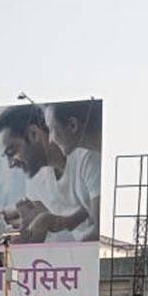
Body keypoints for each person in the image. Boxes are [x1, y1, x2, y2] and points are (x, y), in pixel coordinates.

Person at [0, 105, 92, 243]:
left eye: (11, 152)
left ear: (33, 134)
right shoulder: (35, 182)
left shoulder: (85, 157)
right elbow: (42, 230)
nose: (11, 164)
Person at [45, 101, 102, 241]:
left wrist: (73, 251)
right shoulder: (93, 156)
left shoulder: (94, 160)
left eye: (52, 129)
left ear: (72, 125)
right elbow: (92, 206)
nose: (50, 140)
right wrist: (69, 221)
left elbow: (99, 229)